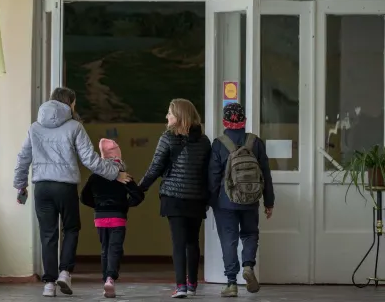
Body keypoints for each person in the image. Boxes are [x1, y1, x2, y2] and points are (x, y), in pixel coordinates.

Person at [13, 87, 132, 297]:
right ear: (69, 103)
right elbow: (90, 159)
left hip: (42, 187)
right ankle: (65, 272)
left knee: (48, 234)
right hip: (64, 187)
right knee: (71, 228)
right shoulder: (74, 126)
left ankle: (49, 284)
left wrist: (21, 185)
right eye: (74, 103)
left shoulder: (35, 128)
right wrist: (115, 173)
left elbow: (23, 158)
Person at [138, 99, 212, 299]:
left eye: (170, 113)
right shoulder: (204, 141)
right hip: (196, 198)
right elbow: (208, 172)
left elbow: (155, 168)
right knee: (192, 242)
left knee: (178, 242)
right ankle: (192, 284)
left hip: (174, 198)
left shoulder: (168, 138)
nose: (166, 117)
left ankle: (180, 286)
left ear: (179, 116)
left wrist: (139, 189)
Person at [208, 103, 275, 297]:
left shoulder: (219, 143)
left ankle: (231, 283)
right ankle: (248, 266)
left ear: (224, 121)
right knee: (250, 234)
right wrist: (269, 202)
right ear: (244, 120)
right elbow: (266, 175)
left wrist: (211, 201)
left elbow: (213, 176)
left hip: (225, 201)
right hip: (250, 199)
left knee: (229, 238)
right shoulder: (256, 142)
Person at [80, 138, 145, 299]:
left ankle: (105, 280)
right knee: (115, 249)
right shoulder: (122, 175)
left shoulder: (95, 177)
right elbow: (138, 195)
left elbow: (83, 197)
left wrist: (98, 206)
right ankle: (111, 278)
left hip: (100, 218)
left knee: (105, 249)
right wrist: (125, 204)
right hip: (118, 217)